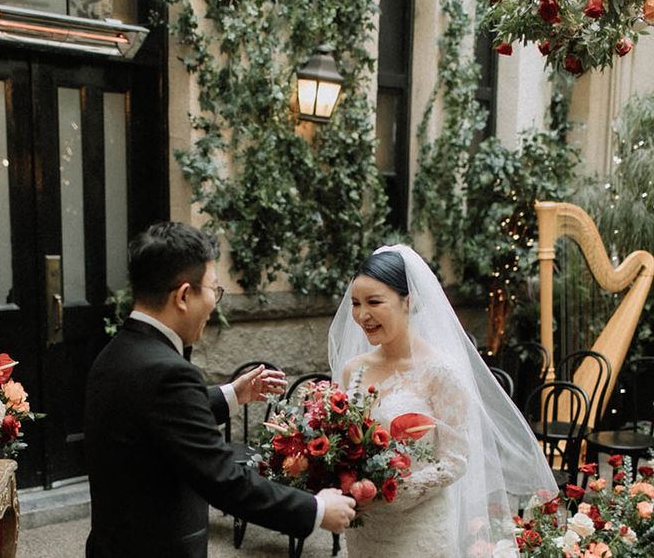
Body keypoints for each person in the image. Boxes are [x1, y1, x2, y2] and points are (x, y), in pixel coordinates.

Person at [85, 221, 356, 557]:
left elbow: (158, 420)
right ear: (184, 295)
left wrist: (233, 395)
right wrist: (315, 510)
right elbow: (224, 479)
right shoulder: (167, 373)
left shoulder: (116, 353)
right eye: (215, 289)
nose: (216, 303)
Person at [328, 245, 558, 557]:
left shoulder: (440, 372)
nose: (362, 315)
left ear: (407, 302)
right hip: (365, 530)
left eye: (374, 302)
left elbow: (455, 460)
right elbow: (339, 443)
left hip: (417, 529)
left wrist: (388, 492)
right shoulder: (354, 370)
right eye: (356, 303)